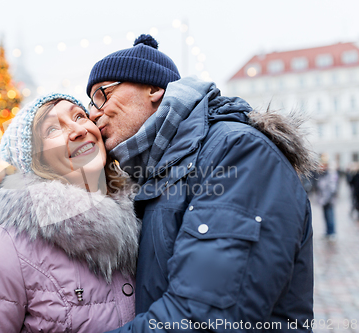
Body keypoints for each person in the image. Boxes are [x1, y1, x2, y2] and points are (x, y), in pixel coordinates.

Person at [86, 34, 317, 332]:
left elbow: (204, 318)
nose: (93, 113)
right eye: (90, 103)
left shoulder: (238, 151)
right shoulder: (158, 171)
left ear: (154, 89)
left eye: (102, 94)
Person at [0, 94, 141, 332]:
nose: (77, 130)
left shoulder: (143, 215)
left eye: (79, 116)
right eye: (51, 129)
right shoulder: (11, 247)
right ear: (37, 162)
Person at [316, 159, 339, 239]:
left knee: (330, 216)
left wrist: (326, 199)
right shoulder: (322, 175)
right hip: (323, 200)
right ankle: (328, 231)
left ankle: (332, 232)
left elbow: (332, 188)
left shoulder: (331, 174)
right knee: (325, 216)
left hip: (329, 200)